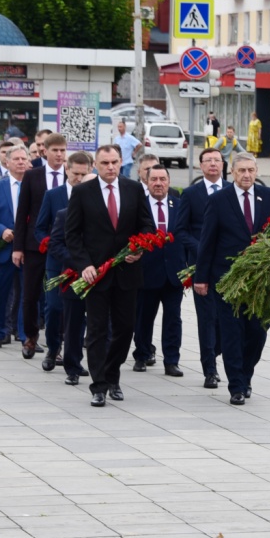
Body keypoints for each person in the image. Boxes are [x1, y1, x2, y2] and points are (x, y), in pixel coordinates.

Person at [65, 145, 155, 408]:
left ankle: (113, 375)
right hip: (96, 274)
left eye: (115, 162)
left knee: (125, 328)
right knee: (96, 330)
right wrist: (84, 265)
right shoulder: (82, 192)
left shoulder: (133, 189)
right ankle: (99, 385)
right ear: (96, 165)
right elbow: (72, 234)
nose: (111, 167)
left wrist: (138, 249)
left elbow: (146, 225)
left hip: (127, 272)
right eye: (105, 163)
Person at [195, 151, 270, 405]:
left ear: (257, 172)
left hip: (260, 279)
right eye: (241, 170)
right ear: (232, 172)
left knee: (257, 332)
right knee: (232, 332)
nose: (246, 175)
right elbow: (207, 240)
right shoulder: (220, 200)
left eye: (251, 170)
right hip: (227, 279)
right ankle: (236, 385)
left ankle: (246, 373)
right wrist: (202, 277)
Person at [34, 151, 93, 371]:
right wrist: (51, 244)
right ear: (67, 170)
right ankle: (52, 349)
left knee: (78, 313)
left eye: (83, 173)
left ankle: (73, 355)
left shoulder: (92, 196)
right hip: (58, 263)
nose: (78, 178)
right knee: (55, 308)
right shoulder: (53, 195)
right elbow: (40, 228)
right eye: (75, 173)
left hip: (85, 267)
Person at [13, 132, 67, 361]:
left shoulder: (72, 176)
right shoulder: (32, 176)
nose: (59, 154)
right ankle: (30, 336)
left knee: (60, 295)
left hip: (63, 245)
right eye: (55, 150)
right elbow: (22, 213)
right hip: (35, 245)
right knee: (31, 293)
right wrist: (18, 247)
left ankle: (60, 339)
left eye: (63, 150)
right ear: (45, 151)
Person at [176, 147, 225, 389]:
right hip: (202, 267)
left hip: (228, 266)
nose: (213, 164)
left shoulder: (231, 192)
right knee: (207, 318)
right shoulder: (191, 194)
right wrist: (201, 248)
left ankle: (216, 350)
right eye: (208, 161)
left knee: (224, 319)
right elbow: (181, 231)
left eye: (217, 160)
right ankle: (210, 370)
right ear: (201, 166)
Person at [133, 165, 186, 377]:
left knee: (173, 318)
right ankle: (142, 354)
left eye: (162, 179)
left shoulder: (180, 205)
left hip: (174, 272)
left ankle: (172, 360)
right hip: (147, 271)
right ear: (146, 182)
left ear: (168, 181)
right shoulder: (139, 206)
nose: (158, 183)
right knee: (144, 317)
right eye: (153, 179)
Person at [0, 144, 30, 349]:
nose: (20, 162)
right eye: (16, 159)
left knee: (29, 294)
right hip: (3, 247)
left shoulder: (36, 186)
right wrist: (2, 231)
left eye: (23, 159)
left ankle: (27, 334)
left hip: (28, 249)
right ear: (7, 162)